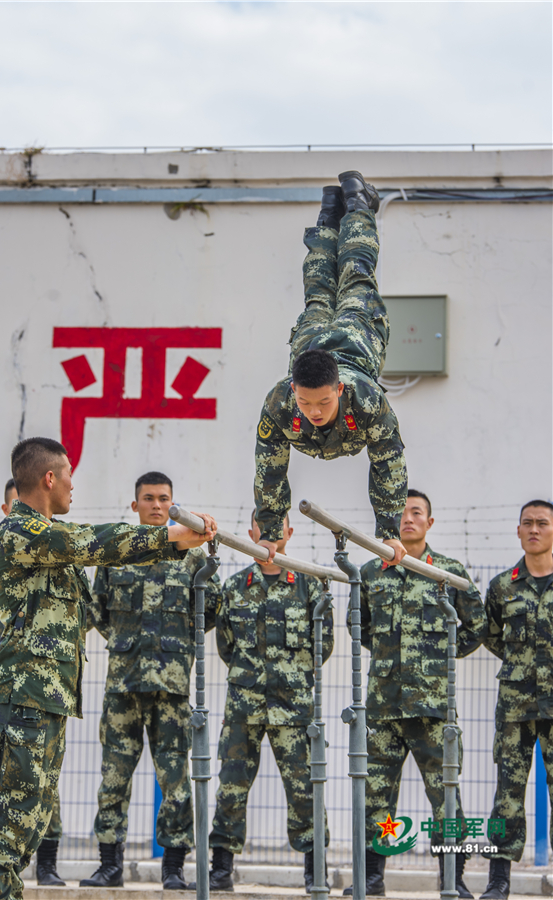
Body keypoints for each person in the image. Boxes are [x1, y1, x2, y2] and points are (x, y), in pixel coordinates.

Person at [0, 438, 216, 900]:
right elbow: (94, 542)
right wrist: (169, 537)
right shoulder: (20, 532)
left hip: (44, 702)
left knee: (28, 819)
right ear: (49, 478)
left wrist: (177, 546)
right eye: (69, 475)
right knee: (7, 821)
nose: (73, 485)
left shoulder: (50, 537)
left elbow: (96, 560)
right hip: (20, 702)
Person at [254, 171, 407, 568]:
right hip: (313, 344)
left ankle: (344, 207)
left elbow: (388, 460)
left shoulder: (367, 402)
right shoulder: (280, 403)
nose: (314, 412)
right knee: (337, 282)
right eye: (306, 404)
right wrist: (269, 530)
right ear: (294, 390)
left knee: (340, 280)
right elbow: (270, 468)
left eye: (323, 403)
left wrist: (389, 529)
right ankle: (343, 207)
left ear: (339, 391)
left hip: (356, 336)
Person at [81, 472, 222, 891]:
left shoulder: (191, 557)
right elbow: (98, 610)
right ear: (135, 505)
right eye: (148, 498)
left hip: (172, 688)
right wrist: (127, 644)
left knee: (175, 780)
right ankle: (109, 866)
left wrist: (175, 647)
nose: (156, 505)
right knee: (113, 778)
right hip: (123, 686)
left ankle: (173, 869)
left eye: (163, 498)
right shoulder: (116, 556)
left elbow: (211, 609)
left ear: (173, 504)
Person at [344, 490, 487, 898]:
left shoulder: (448, 572)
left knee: (446, 796)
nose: (408, 519)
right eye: (400, 513)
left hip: (433, 708)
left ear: (429, 522)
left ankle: (452, 879)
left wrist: (437, 659)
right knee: (375, 795)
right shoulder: (370, 573)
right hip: (384, 707)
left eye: (416, 512)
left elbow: (476, 626)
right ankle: (371, 878)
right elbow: (360, 626)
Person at [203, 512, 333, 894]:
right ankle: (221, 869)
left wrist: (291, 675)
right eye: (263, 524)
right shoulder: (235, 586)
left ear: (289, 532)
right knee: (231, 786)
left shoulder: (309, 586)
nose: (271, 532)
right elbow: (226, 644)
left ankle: (315, 871)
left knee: (305, 789)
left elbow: (323, 644)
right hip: (243, 705)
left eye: (278, 525)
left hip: (293, 707)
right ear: (251, 533)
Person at [0, 478, 67, 887]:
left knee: (41, 781)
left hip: (41, 687)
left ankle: (46, 864)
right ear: (8, 510)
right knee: (0, 778)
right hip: (0, 684)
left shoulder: (55, 551)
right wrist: (1, 641)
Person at [479, 500, 553, 900]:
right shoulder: (501, 587)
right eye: (528, 523)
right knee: (506, 794)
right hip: (515, 706)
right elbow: (492, 636)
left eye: (542, 523)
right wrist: (521, 666)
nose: (534, 529)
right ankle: (498, 880)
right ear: (519, 530)